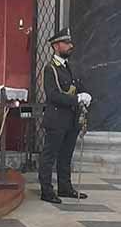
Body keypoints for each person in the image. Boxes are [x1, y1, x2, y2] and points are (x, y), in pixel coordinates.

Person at [39, 28, 92, 204]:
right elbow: (53, 95)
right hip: (56, 120)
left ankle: (65, 187)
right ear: (56, 46)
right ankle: (46, 190)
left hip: (71, 119)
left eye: (70, 43)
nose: (71, 46)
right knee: (50, 155)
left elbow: (79, 86)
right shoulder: (50, 69)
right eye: (66, 43)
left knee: (66, 155)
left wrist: (85, 95)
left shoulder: (70, 67)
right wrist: (77, 98)